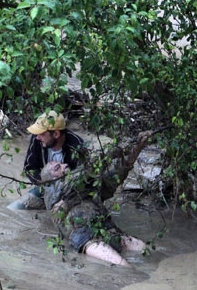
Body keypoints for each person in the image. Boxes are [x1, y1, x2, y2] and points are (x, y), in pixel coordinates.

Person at [40, 131, 153, 266]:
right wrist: (114, 152)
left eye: (62, 164)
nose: (65, 166)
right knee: (123, 265)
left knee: (149, 250)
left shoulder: (85, 187)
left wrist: (137, 148)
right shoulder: (53, 192)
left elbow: (113, 179)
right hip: (87, 239)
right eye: (58, 168)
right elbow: (79, 177)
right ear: (52, 180)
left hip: (108, 230)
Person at [8, 110, 84, 209]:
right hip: (45, 187)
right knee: (15, 208)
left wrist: (66, 200)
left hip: (70, 193)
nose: (37, 137)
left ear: (56, 134)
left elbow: (83, 179)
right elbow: (29, 168)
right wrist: (44, 182)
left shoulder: (77, 146)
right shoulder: (37, 139)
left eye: (41, 134)